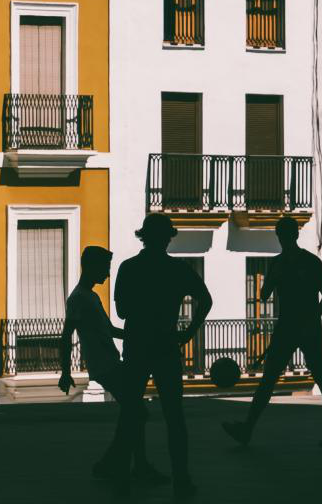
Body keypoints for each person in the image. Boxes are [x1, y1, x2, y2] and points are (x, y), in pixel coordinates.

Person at [113, 214, 212, 500]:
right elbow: (206, 300)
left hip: (136, 346)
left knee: (129, 413)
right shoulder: (178, 270)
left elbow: (121, 311)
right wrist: (189, 332)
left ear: (143, 237)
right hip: (166, 347)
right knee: (174, 416)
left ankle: (122, 480)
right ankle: (181, 480)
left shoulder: (129, 268)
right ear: (168, 238)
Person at [222, 216, 322, 447]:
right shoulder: (279, 263)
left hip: (305, 330)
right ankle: (247, 429)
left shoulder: (310, 262)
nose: (283, 239)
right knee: (273, 379)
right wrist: (273, 278)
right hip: (288, 329)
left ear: (292, 236)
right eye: (281, 236)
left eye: (285, 235)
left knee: (315, 377)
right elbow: (264, 295)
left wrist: (311, 319)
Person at [58, 246, 163, 491]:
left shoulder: (91, 297)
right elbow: (66, 335)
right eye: (104, 268)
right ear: (91, 266)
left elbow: (110, 330)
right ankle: (126, 465)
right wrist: (65, 371)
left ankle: (118, 464)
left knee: (133, 413)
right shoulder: (79, 298)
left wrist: (141, 335)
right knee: (137, 412)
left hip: (110, 363)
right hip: (105, 366)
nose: (107, 274)